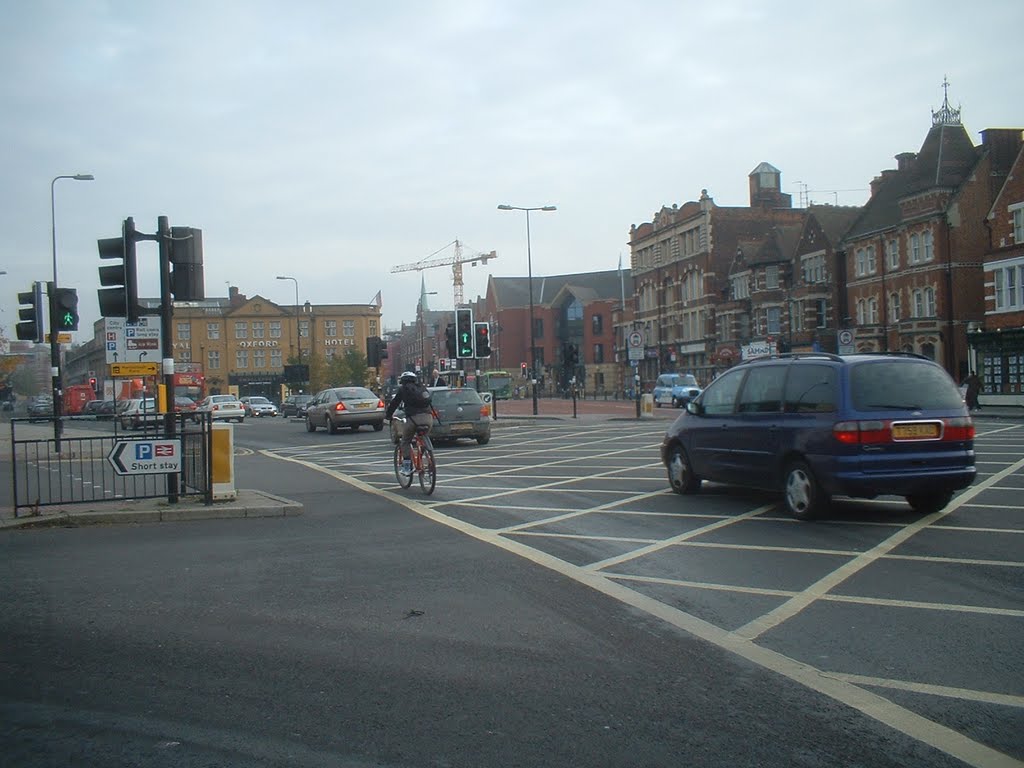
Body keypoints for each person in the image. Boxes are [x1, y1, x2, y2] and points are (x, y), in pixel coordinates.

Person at [385, 371, 434, 475]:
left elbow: (394, 404)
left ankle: (407, 467)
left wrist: (388, 415)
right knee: (423, 436)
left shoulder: (403, 389)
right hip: (428, 418)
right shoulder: (422, 387)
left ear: (402, 381)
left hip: (413, 419)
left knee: (405, 441)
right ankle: (425, 454)